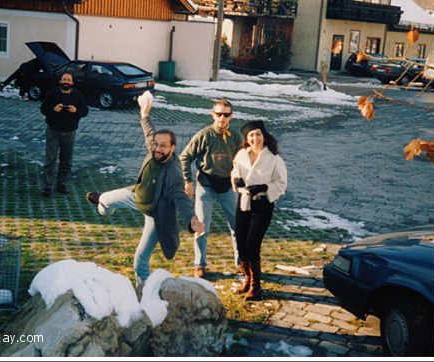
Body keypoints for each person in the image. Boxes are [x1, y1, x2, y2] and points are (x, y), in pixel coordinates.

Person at [85, 95, 204, 287]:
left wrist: (192, 219)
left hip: (155, 213)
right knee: (105, 200)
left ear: (173, 148)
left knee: (140, 260)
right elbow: (149, 132)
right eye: (156, 145)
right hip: (135, 195)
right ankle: (105, 208)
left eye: (163, 146)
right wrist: (144, 114)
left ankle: (144, 293)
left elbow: (181, 199)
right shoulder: (154, 148)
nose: (157, 149)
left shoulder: (174, 173)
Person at [179, 99, 243, 278]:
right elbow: (184, 157)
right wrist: (188, 181)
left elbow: (244, 161)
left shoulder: (236, 136)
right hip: (206, 187)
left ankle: (241, 262)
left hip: (228, 187)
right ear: (212, 115)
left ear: (231, 116)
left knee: (237, 227)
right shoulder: (204, 135)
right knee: (201, 228)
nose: (222, 118)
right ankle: (199, 265)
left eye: (226, 114)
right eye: (218, 114)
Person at [231, 120, 287, 300]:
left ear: (264, 136)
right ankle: (247, 279)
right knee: (240, 243)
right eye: (251, 135)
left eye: (258, 134)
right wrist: (237, 182)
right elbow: (235, 173)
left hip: (262, 204)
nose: (255, 139)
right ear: (247, 139)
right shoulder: (241, 154)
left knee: (252, 245)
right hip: (244, 201)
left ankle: (256, 286)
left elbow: (281, 183)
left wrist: (264, 188)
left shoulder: (274, 158)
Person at [40, 72, 88, 196]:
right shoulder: (52, 93)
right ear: (60, 81)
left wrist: (76, 110)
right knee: (50, 160)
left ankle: (61, 183)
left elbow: (85, 111)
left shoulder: (77, 95)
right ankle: (47, 186)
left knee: (66, 161)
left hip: (70, 133)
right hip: (53, 132)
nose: (66, 81)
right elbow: (43, 109)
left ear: (72, 82)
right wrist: (53, 109)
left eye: (68, 79)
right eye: (64, 79)